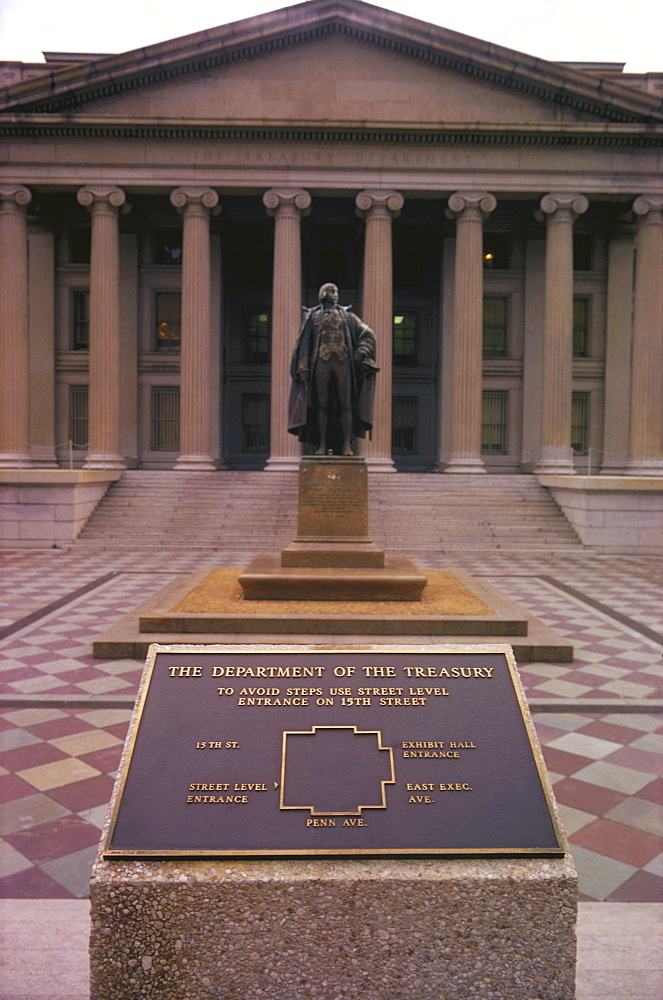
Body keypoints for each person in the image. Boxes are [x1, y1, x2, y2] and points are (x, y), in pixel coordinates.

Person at [288, 283, 379, 456]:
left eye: (336, 291)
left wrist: (361, 353)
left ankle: (346, 445)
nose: (336, 294)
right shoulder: (313, 317)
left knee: (346, 404)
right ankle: (321, 444)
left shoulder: (348, 317)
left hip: (343, 363)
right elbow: (305, 344)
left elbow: (368, 335)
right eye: (332, 292)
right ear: (324, 294)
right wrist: (303, 367)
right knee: (321, 405)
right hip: (321, 364)